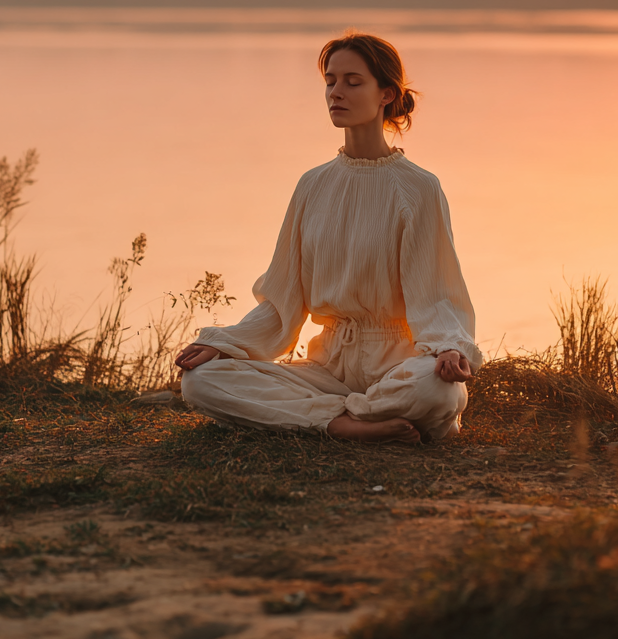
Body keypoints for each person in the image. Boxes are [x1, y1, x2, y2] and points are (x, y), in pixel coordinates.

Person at [176, 32, 481, 443]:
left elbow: (437, 294)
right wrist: (228, 344)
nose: (336, 92)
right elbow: (283, 299)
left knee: (437, 388)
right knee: (201, 381)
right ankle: (345, 424)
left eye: (353, 82)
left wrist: (447, 348)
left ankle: (332, 416)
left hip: (395, 365)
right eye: (330, 81)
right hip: (326, 368)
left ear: (386, 94)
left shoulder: (419, 189)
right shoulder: (312, 185)